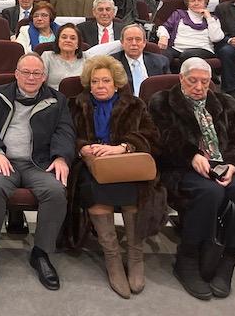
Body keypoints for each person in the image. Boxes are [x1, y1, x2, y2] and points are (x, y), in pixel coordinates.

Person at [148, 58, 235, 300]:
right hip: (180, 168)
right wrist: (190, 155)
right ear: (181, 79)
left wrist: (233, 165)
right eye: (193, 81)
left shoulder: (225, 104)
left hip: (221, 167)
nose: (199, 87)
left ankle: (229, 259)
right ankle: (187, 258)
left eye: (204, 82)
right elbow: (159, 140)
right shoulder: (162, 103)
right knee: (210, 192)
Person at [0, 52, 74, 289]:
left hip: (38, 162)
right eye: (26, 72)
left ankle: (41, 252)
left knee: (56, 191)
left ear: (44, 76)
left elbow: (65, 131)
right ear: (16, 74)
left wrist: (61, 157)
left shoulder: (57, 100)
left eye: (36, 73)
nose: (31, 77)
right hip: (3, 159)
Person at [67, 56, 162, 298]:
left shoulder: (135, 105)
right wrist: (82, 148)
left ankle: (135, 254)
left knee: (135, 193)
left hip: (128, 166)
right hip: (91, 166)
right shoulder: (76, 104)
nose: (100, 85)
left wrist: (123, 147)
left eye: (105, 81)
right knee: (93, 191)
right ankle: (112, 259)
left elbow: (152, 137)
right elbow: (65, 133)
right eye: (95, 81)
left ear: (117, 83)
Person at [157, 0, 223, 69]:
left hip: (203, 49)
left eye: (199, 0)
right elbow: (164, 27)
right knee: (161, 55)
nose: (196, 3)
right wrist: (163, 36)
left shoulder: (212, 19)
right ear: (188, 3)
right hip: (177, 48)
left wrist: (208, 18)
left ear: (205, 3)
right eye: (192, 1)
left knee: (187, 55)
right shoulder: (179, 14)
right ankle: (166, 79)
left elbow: (216, 38)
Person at [111, 23, 170, 96]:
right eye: (129, 39)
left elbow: (168, 90)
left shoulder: (161, 62)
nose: (134, 43)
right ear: (122, 42)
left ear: (144, 43)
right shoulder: (112, 63)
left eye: (138, 39)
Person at [41, 23, 86, 90]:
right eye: (64, 37)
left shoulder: (87, 58)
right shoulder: (47, 56)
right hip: (53, 98)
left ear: (78, 44)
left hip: (81, 99)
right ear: (58, 41)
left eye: (73, 38)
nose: (68, 40)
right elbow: (39, 82)